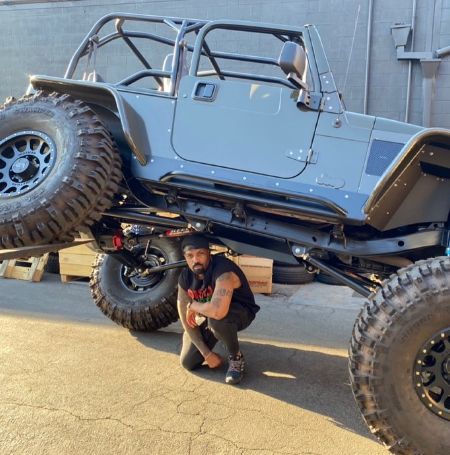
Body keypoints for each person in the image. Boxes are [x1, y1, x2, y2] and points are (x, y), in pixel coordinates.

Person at [177, 234, 259, 384]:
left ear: (209, 253)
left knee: (217, 321)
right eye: (190, 256)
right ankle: (220, 336)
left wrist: (193, 305)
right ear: (185, 257)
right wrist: (206, 354)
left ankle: (236, 357)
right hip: (210, 316)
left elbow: (217, 311)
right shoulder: (185, 277)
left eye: (200, 254)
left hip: (240, 313)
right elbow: (184, 316)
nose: (195, 260)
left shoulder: (224, 271)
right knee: (189, 362)